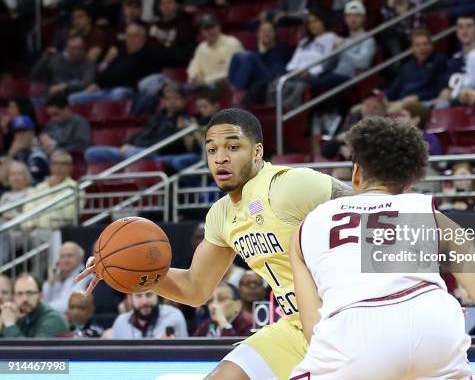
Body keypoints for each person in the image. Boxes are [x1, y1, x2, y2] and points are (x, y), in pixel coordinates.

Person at [77, 108, 351, 379]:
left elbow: (375, 208)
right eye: (212, 150)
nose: (220, 158)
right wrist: (124, 269)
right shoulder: (221, 215)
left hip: (347, 320)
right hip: (295, 325)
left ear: (257, 152)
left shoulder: (289, 185)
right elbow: (195, 288)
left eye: (233, 147)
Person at [289, 116, 475, 379]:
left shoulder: (307, 226)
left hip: (352, 336)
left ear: (356, 172)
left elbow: (313, 327)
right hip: (432, 328)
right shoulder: (431, 215)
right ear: (409, 181)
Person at [0, 273, 69, 338]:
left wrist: (10, 325)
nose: (25, 299)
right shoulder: (21, 317)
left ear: (41, 295)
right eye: (19, 294)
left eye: (30, 293)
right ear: (14, 297)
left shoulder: (54, 319)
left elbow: (30, 350)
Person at [31, 34, 96, 99]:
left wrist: (64, 86)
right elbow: (35, 76)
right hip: (53, 96)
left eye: (80, 48)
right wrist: (44, 60)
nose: (77, 52)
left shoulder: (88, 63)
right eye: (73, 49)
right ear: (66, 48)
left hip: (74, 96)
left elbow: (86, 82)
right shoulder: (55, 60)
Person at [187, 14, 243, 88]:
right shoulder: (201, 48)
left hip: (227, 84)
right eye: (206, 29)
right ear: (201, 32)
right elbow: (194, 69)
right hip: (206, 86)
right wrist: (194, 78)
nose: (210, 31)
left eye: (212, 27)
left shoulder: (232, 43)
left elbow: (233, 72)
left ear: (219, 27)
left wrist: (206, 81)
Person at [110, 291, 188, 339]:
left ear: (158, 294)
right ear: (130, 299)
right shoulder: (120, 323)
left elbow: (186, 357)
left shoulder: (173, 316)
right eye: (138, 296)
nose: (144, 301)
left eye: (149, 295)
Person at [42, 241, 91, 313]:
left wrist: (42, 310)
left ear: (80, 258)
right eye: (62, 256)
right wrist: (50, 282)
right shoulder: (57, 277)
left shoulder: (85, 276)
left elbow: (67, 304)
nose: (65, 260)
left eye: (69, 256)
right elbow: (44, 300)